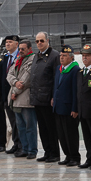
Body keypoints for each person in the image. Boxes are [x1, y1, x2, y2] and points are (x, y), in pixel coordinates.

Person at [31, 32, 61, 163]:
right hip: (37, 98)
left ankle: (54, 153)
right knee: (42, 128)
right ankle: (47, 151)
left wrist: (54, 96)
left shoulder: (54, 56)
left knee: (51, 128)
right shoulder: (37, 56)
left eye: (41, 41)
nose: (39, 43)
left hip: (48, 98)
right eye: (37, 41)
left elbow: (56, 77)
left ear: (47, 40)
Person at [6, 39, 37, 159]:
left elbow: (26, 79)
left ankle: (32, 150)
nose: (21, 51)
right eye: (19, 49)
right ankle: (24, 148)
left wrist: (15, 91)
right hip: (16, 100)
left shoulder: (32, 59)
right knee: (21, 127)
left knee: (30, 127)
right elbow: (9, 74)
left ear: (29, 49)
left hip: (26, 99)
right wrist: (15, 83)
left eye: (23, 49)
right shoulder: (18, 59)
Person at [52, 45, 81, 166]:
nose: (61, 58)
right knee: (62, 134)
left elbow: (76, 91)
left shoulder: (75, 70)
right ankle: (67, 155)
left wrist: (75, 108)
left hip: (69, 108)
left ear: (71, 57)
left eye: (64, 56)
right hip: (59, 107)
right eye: (61, 55)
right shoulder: (59, 68)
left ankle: (75, 156)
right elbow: (56, 86)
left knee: (71, 134)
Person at [1, 35, 22, 155]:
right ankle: (16, 143)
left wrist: (14, 91)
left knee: (19, 121)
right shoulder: (5, 58)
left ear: (16, 44)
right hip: (7, 96)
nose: (7, 44)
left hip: (16, 94)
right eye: (6, 42)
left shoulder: (20, 57)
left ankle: (22, 145)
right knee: (13, 121)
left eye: (10, 42)